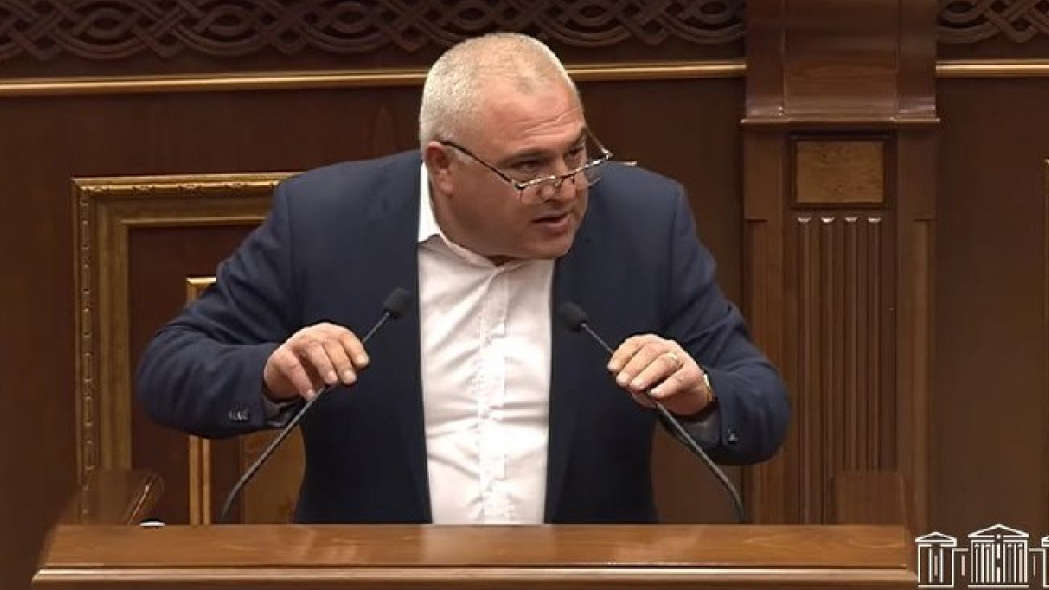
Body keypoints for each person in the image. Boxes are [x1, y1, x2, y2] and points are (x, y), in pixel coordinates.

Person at [136, 32, 790, 524]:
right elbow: (170, 370)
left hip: (582, 588)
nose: (565, 188)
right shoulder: (324, 223)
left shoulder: (644, 222)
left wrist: (700, 396)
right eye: (529, 166)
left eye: (576, 152)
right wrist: (269, 375)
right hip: (377, 589)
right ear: (442, 166)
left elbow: (760, 404)